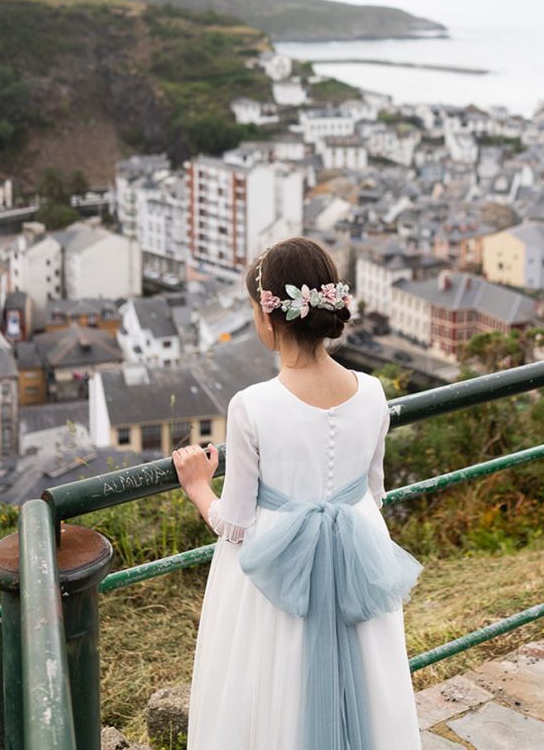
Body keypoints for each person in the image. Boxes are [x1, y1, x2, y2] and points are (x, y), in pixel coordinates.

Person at [173, 236, 422, 750]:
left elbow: (234, 524)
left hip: (277, 575)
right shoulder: (373, 392)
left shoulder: (251, 405)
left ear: (269, 319)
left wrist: (198, 487)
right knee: (371, 688)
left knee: (271, 689)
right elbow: (372, 493)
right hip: (357, 559)